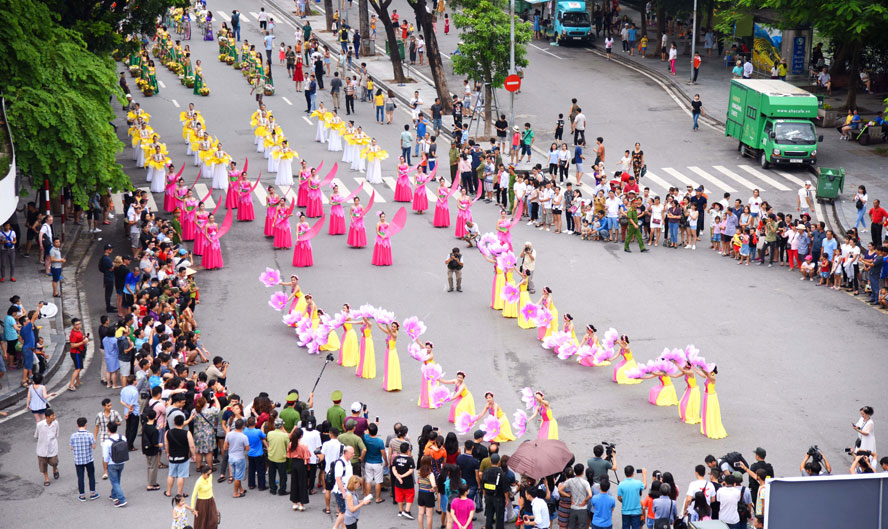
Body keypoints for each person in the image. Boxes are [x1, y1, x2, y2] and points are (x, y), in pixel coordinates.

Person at [165, 413, 197, 497]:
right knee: (181, 475)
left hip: (172, 456)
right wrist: (194, 454)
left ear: (174, 422)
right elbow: (192, 446)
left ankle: (168, 491)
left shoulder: (168, 432)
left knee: (171, 474)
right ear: (183, 422)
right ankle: (179, 493)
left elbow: (166, 445)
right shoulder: (187, 433)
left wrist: (168, 453)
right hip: (183, 457)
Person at [70, 416, 100, 501]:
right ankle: (92, 493)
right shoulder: (90, 435)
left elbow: (71, 447)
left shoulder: (73, 436)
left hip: (78, 460)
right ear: (86, 425)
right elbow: (93, 446)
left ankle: (82, 495)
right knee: (91, 476)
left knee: (80, 477)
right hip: (89, 459)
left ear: (77, 425)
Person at [103, 421, 128, 507]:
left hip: (112, 463)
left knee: (114, 481)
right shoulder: (123, 438)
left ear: (108, 430)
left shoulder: (107, 442)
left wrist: (105, 466)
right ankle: (114, 495)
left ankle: (121, 499)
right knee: (117, 479)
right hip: (122, 461)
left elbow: (105, 456)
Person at [559, 463, 592, 529]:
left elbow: (560, 490)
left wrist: (569, 496)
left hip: (573, 508)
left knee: (571, 526)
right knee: (581, 526)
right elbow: (590, 495)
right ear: (583, 472)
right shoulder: (585, 482)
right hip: (582, 509)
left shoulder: (570, 481)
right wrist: (585, 501)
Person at [223, 418, 249, 498]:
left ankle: (241, 489)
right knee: (238, 477)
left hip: (231, 458)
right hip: (239, 458)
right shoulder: (244, 437)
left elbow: (225, 447)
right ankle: (235, 493)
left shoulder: (229, 434)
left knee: (236, 475)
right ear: (243, 426)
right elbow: (247, 448)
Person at [36, 408, 60, 487]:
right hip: (42, 449)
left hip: (52, 447)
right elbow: (36, 435)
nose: (54, 417)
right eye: (52, 416)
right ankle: (46, 478)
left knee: (54, 462)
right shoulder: (40, 425)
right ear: (47, 417)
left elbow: (57, 434)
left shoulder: (56, 423)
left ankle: (55, 469)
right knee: (43, 464)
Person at [393, 443, 416, 519]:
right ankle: (407, 511)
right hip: (408, 482)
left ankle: (401, 511)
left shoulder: (396, 458)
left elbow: (394, 469)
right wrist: (402, 476)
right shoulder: (410, 460)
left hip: (398, 482)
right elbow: (411, 470)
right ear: (407, 450)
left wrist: (398, 477)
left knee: (399, 496)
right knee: (409, 495)